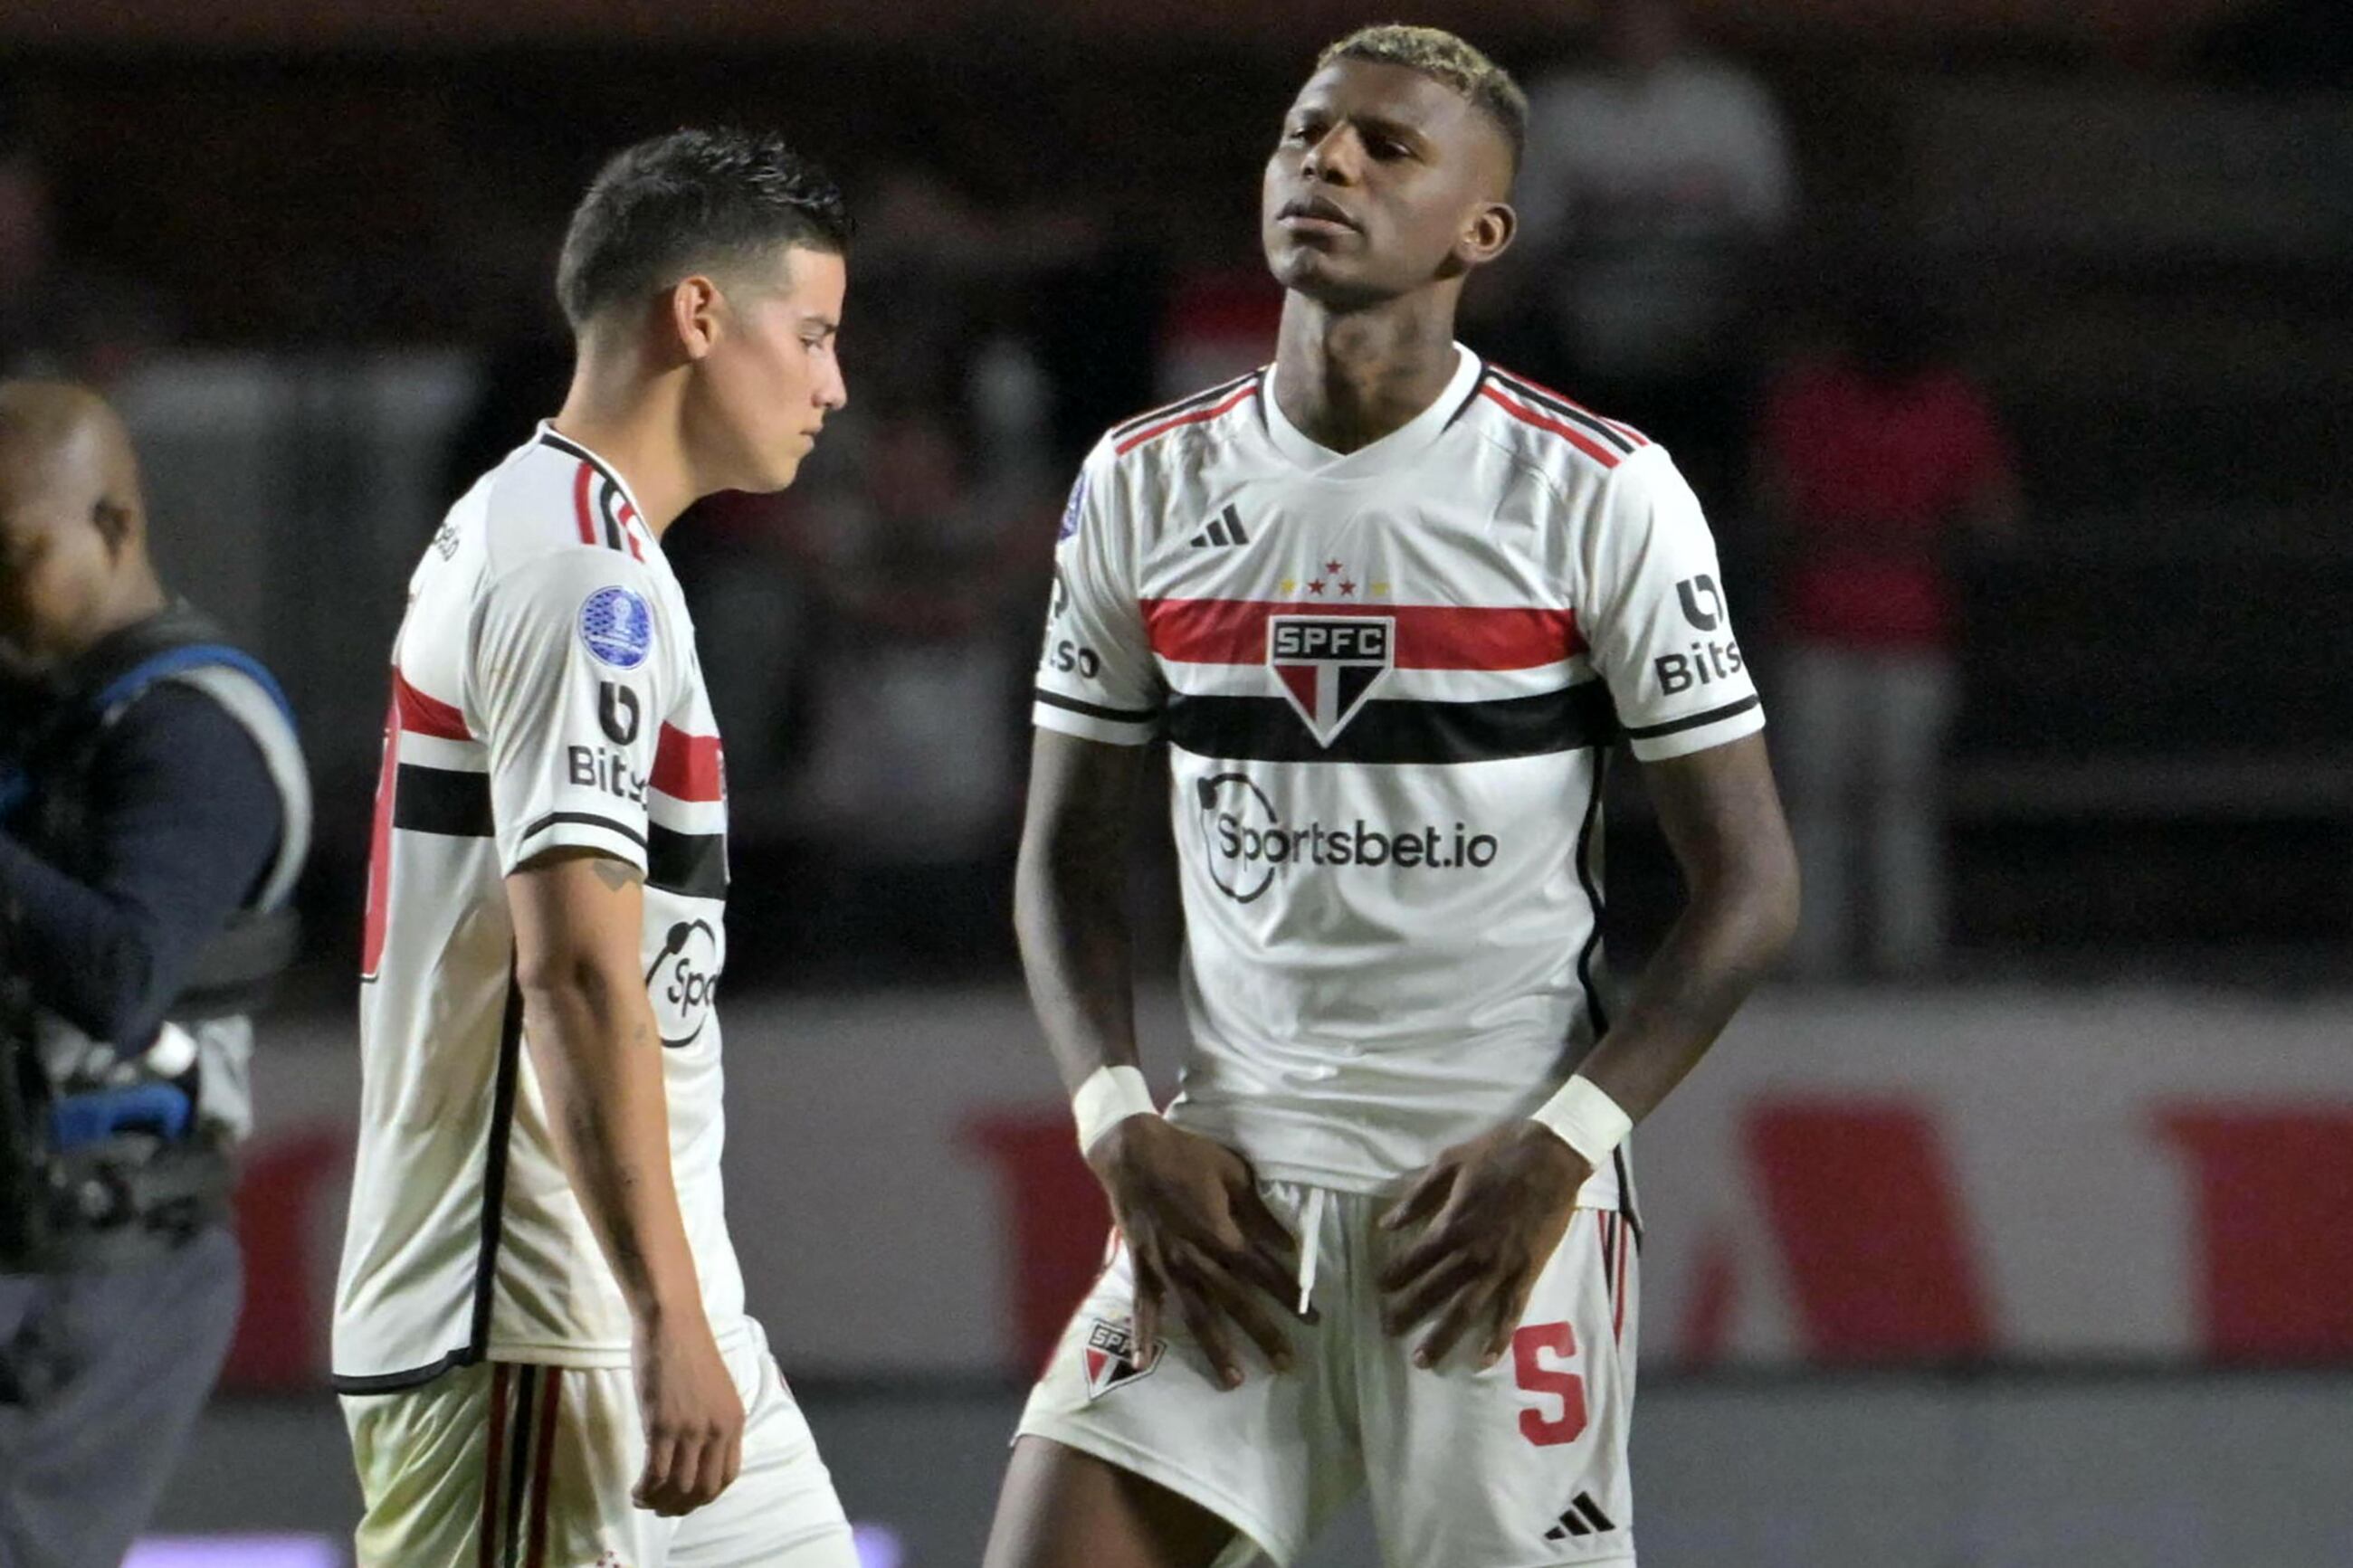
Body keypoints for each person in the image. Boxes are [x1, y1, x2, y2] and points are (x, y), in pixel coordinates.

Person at [986, 25, 1799, 1568]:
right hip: (1227, 1192)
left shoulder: (1596, 490)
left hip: (1491, 1203)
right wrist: (1112, 1117)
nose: (1329, 164)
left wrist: (1560, 1145)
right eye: (1307, 134)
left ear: (1482, 232)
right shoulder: (1143, 481)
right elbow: (1062, 856)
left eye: (1386, 147)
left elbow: (1752, 886)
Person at [332, 129, 858, 1568]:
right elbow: (574, 971)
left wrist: (688, 1308)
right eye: (810, 335)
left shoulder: (569, 535)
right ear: (699, 315)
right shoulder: (580, 572)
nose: (834, 384)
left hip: (634, 1301)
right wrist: (660, 1315)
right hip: (538, 1322)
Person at [0, 381, 310, 1568]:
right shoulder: (48, 713)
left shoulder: (194, 733)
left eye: (15, 553)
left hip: (97, 1266)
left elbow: (122, 972)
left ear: (115, 528)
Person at [1755, 271, 2020, 980]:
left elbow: (1774, 504)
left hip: (1866, 629)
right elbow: (1996, 519)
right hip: (1874, 628)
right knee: (1878, 806)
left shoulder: (1823, 398)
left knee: (1843, 805)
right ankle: (1891, 955)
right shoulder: (1914, 402)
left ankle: (1842, 954)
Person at [1501, 0, 1793, 506]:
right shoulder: (1559, 106)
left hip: (1710, 344)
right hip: (1584, 346)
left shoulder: (1727, 101)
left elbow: (1767, 224)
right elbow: (1528, 240)